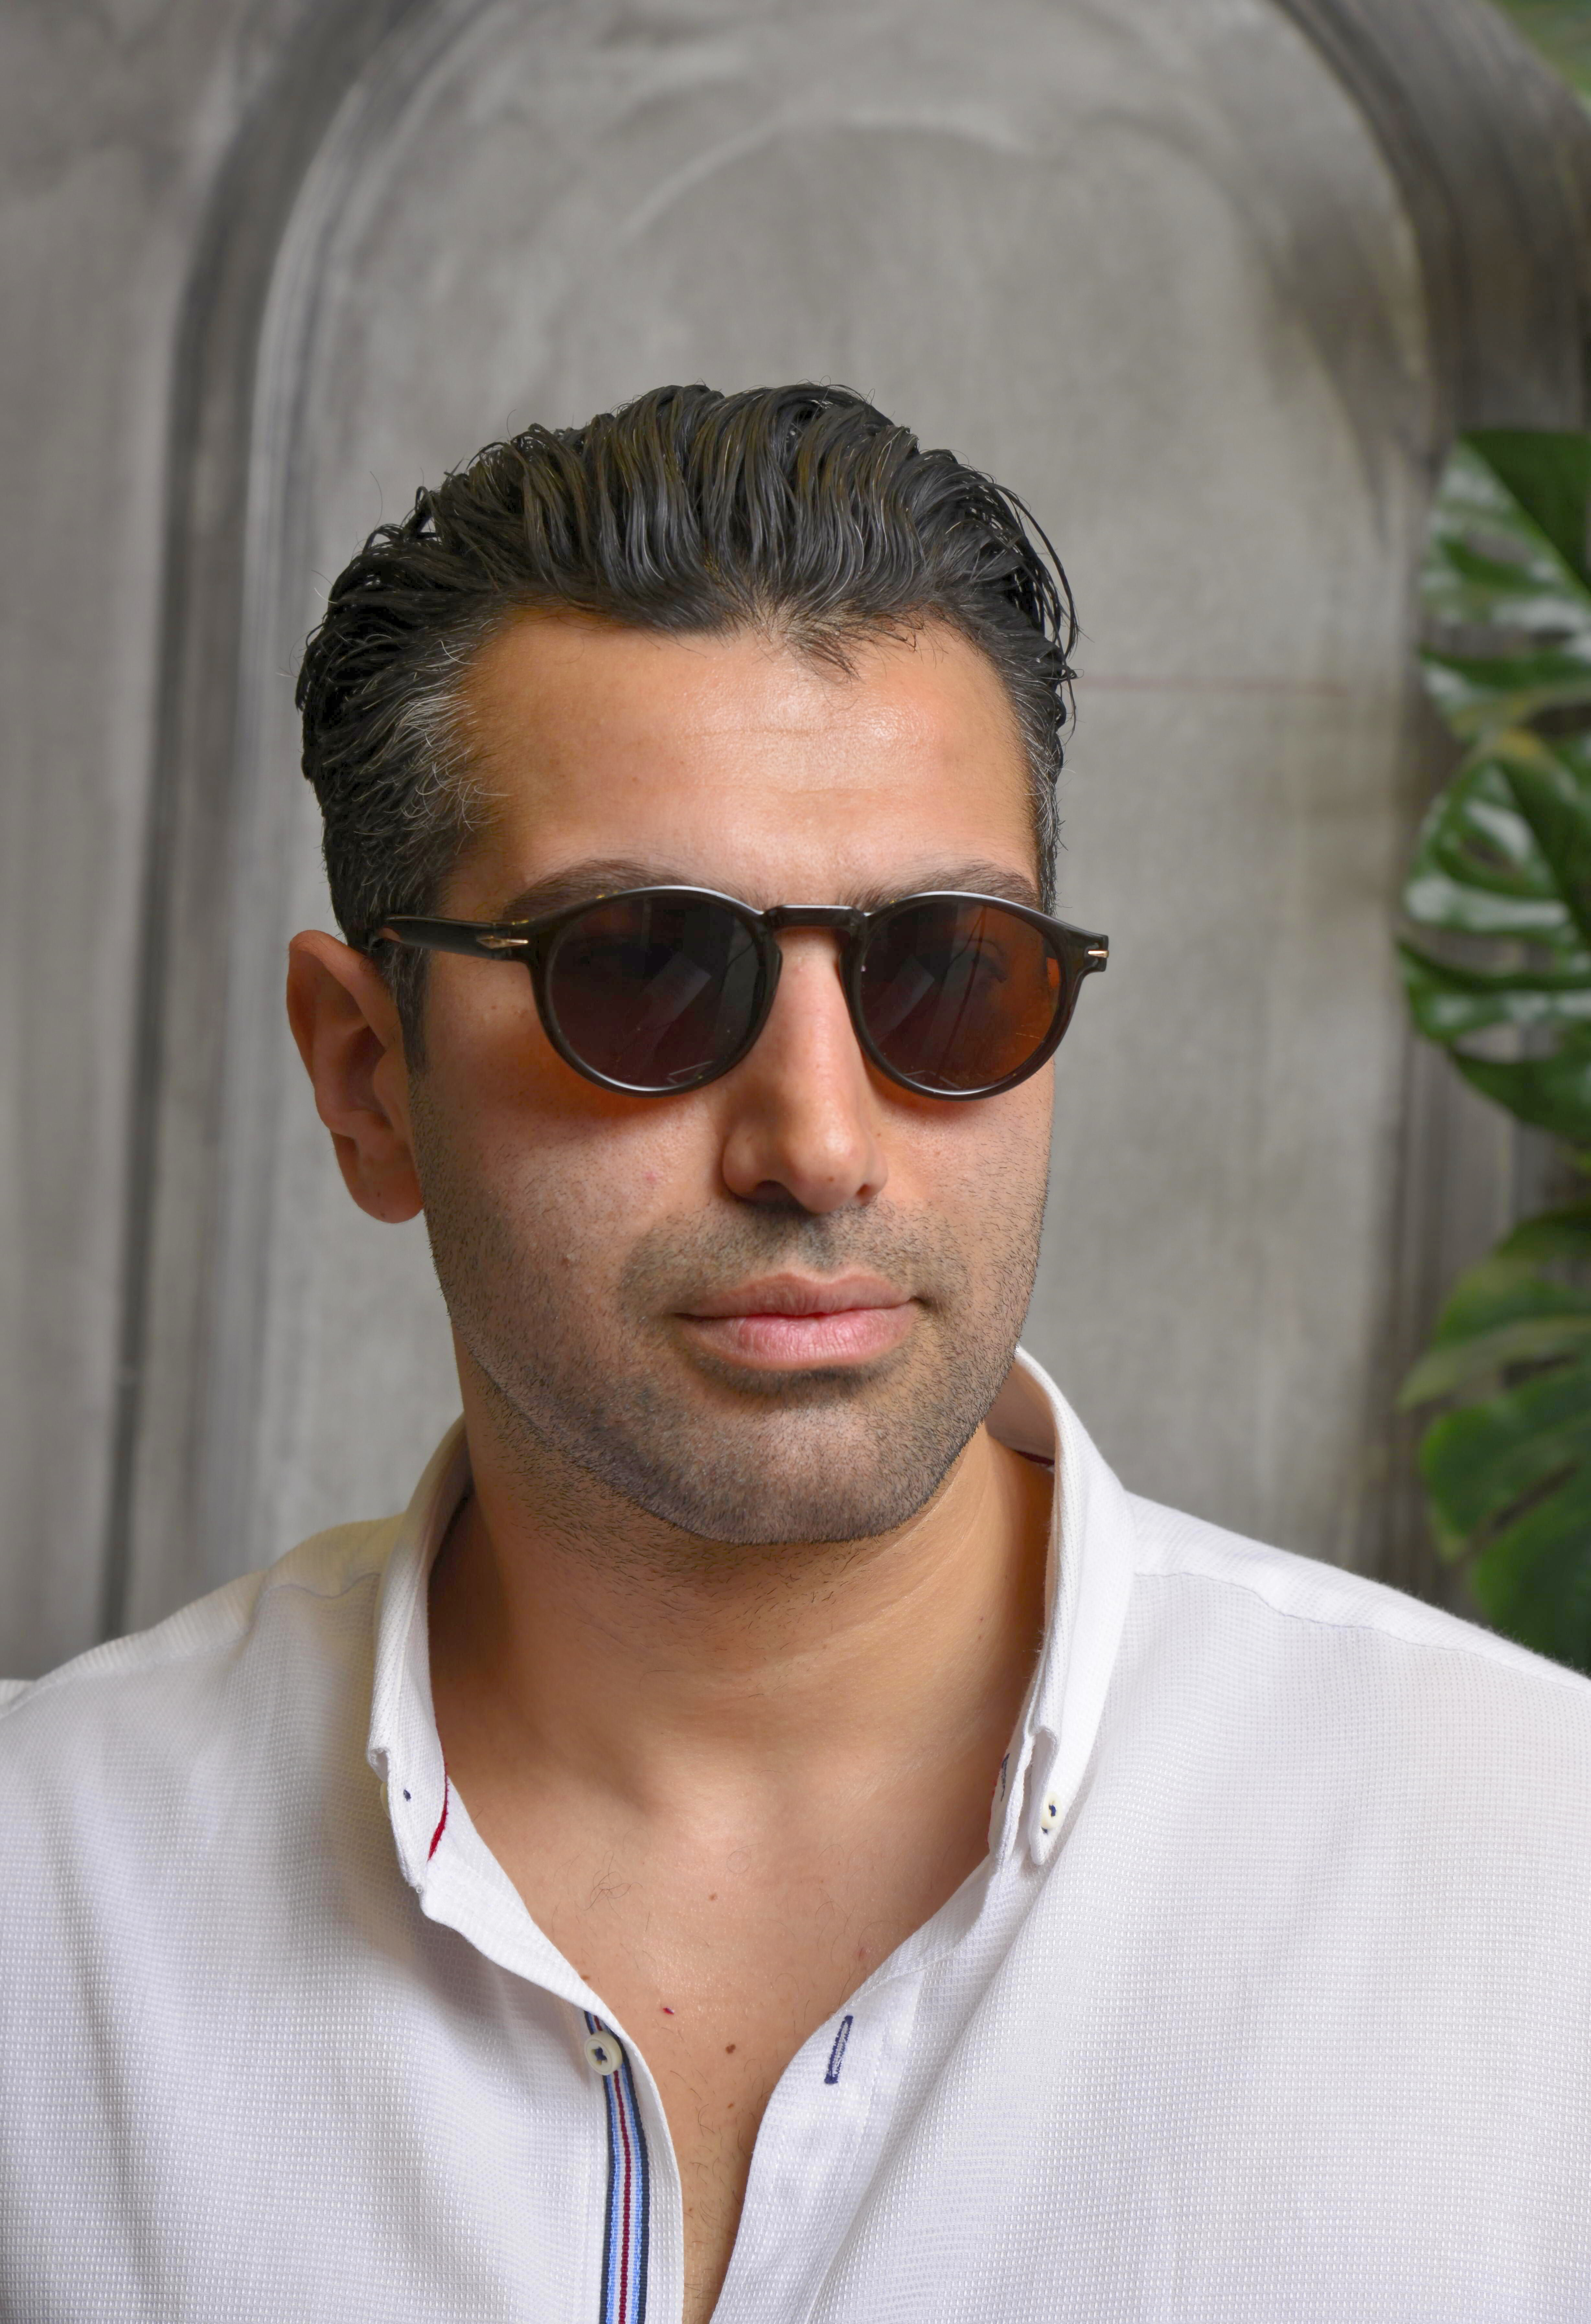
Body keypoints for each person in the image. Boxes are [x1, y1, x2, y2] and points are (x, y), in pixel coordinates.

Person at [2, 384, 1588, 2324]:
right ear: (366, 1079)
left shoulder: (1539, 1891)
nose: (822, 1144)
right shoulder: (45, 1903)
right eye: (641, 971)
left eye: (949, 974)